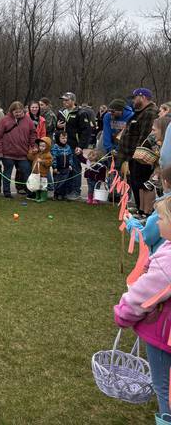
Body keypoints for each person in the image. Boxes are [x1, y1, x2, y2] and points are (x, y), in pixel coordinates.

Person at [114, 194, 171, 418]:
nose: (157, 222)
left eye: (162, 218)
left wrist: (123, 313)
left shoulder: (167, 260)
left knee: (164, 386)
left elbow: (144, 293)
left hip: (164, 335)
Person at [119, 88, 159, 213]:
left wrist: (138, 154)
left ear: (143, 97)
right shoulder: (140, 112)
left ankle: (145, 211)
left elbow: (145, 136)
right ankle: (139, 208)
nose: (133, 100)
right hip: (132, 155)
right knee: (136, 182)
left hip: (141, 156)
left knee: (141, 183)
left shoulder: (150, 113)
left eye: (135, 97)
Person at [0, 102, 37, 199]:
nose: (18, 114)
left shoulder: (28, 120)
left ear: (23, 110)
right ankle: (7, 193)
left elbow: (33, 133)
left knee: (27, 171)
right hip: (7, 153)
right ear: (11, 111)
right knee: (7, 173)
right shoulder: (4, 120)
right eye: (15, 112)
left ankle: (31, 192)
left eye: (20, 112)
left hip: (23, 153)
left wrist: (33, 145)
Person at [56, 92, 92, 201]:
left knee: (75, 168)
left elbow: (86, 131)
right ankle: (65, 190)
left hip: (74, 145)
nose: (64, 102)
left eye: (67, 100)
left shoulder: (81, 113)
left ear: (73, 101)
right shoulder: (61, 112)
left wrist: (81, 146)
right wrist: (58, 127)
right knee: (65, 167)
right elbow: (57, 129)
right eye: (63, 100)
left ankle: (76, 191)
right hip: (63, 145)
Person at [27, 137, 53, 202]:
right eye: (40, 146)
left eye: (43, 146)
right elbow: (30, 157)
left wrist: (42, 161)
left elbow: (49, 163)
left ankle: (43, 197)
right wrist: (33, 152)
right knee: (37, 185)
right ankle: (37, 196)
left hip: (43, 174)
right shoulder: (37, 153)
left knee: (43, 186)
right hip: (36, 173)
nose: (41, 147)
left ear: (47, 146)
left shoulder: (48, 154)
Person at [51, 131, 74, 201]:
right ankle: (56, 194)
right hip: (58, 169)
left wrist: (70, 164)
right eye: (62, 138)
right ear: (58, 138)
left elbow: (70, 156)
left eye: (66, 138)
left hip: (66, 168)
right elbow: (53, 157)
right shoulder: (55, 147)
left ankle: (63, 195)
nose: (64, 139)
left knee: (64, 182)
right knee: (57, 181)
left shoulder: (68, 147)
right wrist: (54, 167)